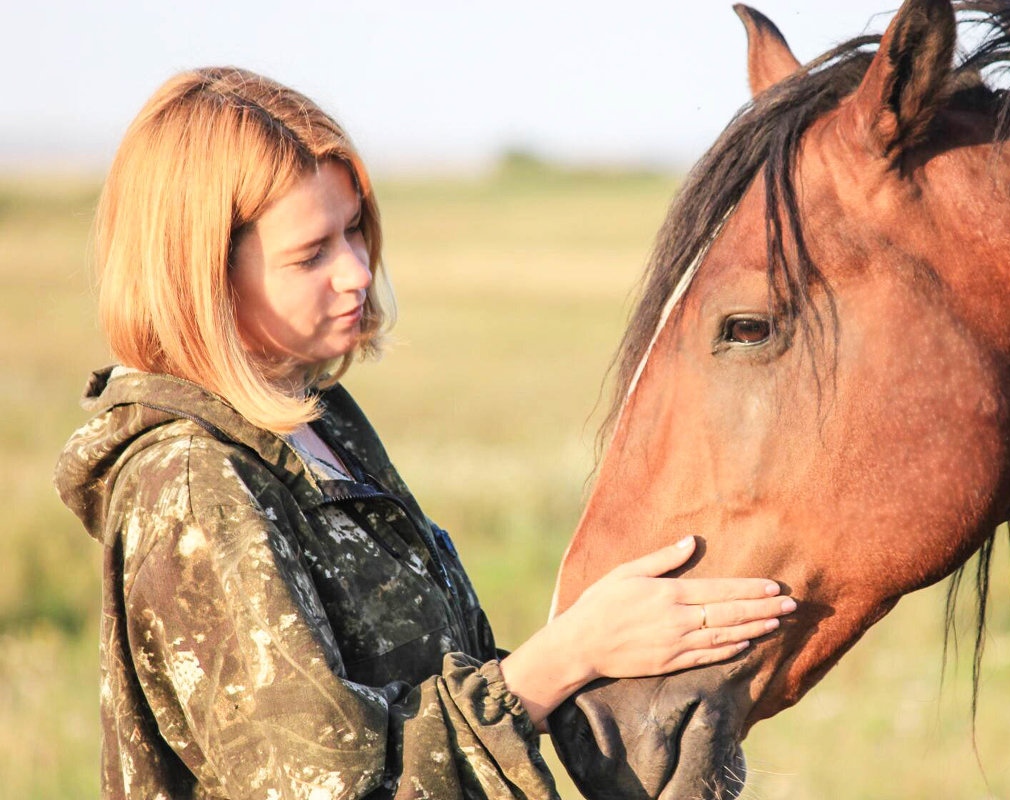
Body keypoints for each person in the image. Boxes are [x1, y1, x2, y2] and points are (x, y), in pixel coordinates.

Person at [54, 67, 795, 800]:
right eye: (311, 253)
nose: (355, 271)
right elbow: (327, 786)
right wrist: (564, 657)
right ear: (203, 279)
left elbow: (411, 686)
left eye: (354, 231)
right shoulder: (191, 482)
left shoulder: (315, 420)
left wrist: (614, 645)